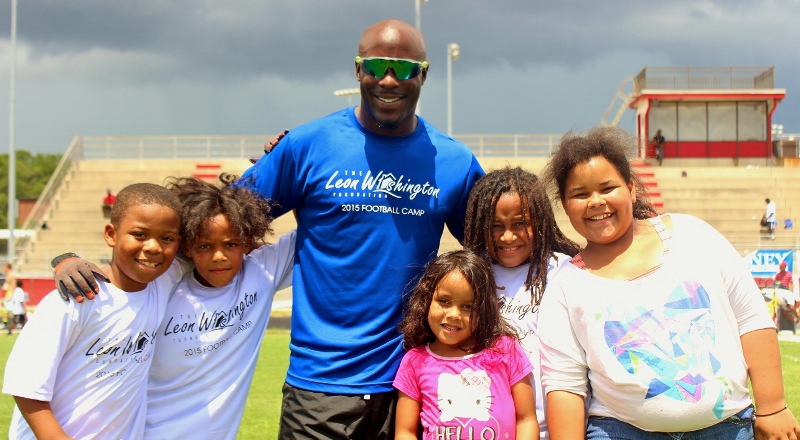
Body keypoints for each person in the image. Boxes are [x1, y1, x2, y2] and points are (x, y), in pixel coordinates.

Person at [239, 19, 484, 438]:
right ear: (358, 70)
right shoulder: (305, 146)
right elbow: (221, 223)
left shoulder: (454, 161)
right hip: (319, 389)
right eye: (375, 67)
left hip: (410, 386)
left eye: (403, 69)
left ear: (423, 74)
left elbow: (506, 248)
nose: (389, 80)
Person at [538, 126, 800, 439]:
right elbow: (564, 384)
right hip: (621, 432)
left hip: (727, 428)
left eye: (607, 188)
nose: (596, 201)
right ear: (565, 205)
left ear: (631, 189)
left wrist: (773, 408)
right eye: (580, 194)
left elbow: (751, 318)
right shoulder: (566, 287)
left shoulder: (693, 235)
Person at [2, 183, 188, 439]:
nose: (153, 247)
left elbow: (216, 231)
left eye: (166, 238)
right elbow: (26, 385)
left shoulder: (163, 283)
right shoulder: (75, 298)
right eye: (139, 234)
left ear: (178, 243)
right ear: (111, 234)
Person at [145, 176, 295, 439]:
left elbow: (321, 224)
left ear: (246, 243)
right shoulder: (161, 288)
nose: (218, 256)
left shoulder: (261, 272)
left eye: (230, 244)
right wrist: (70, 260)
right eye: (204, 246)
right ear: (187, 246)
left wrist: (285, 163)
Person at [463, 165, 580, 439]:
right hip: (486, 426)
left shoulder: (564, 271)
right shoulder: (470, 275)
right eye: (495, 226)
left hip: (554, 426)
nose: (508, 237)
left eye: (520, 224)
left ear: (540, 220)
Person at [393, 249, 538, 439]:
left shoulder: (504, 349)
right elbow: (406, 432)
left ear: (485, 308)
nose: (454, 314)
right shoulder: (414, 361)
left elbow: (526, 420)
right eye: (444, 301)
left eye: (468, 306)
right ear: (427, 300)